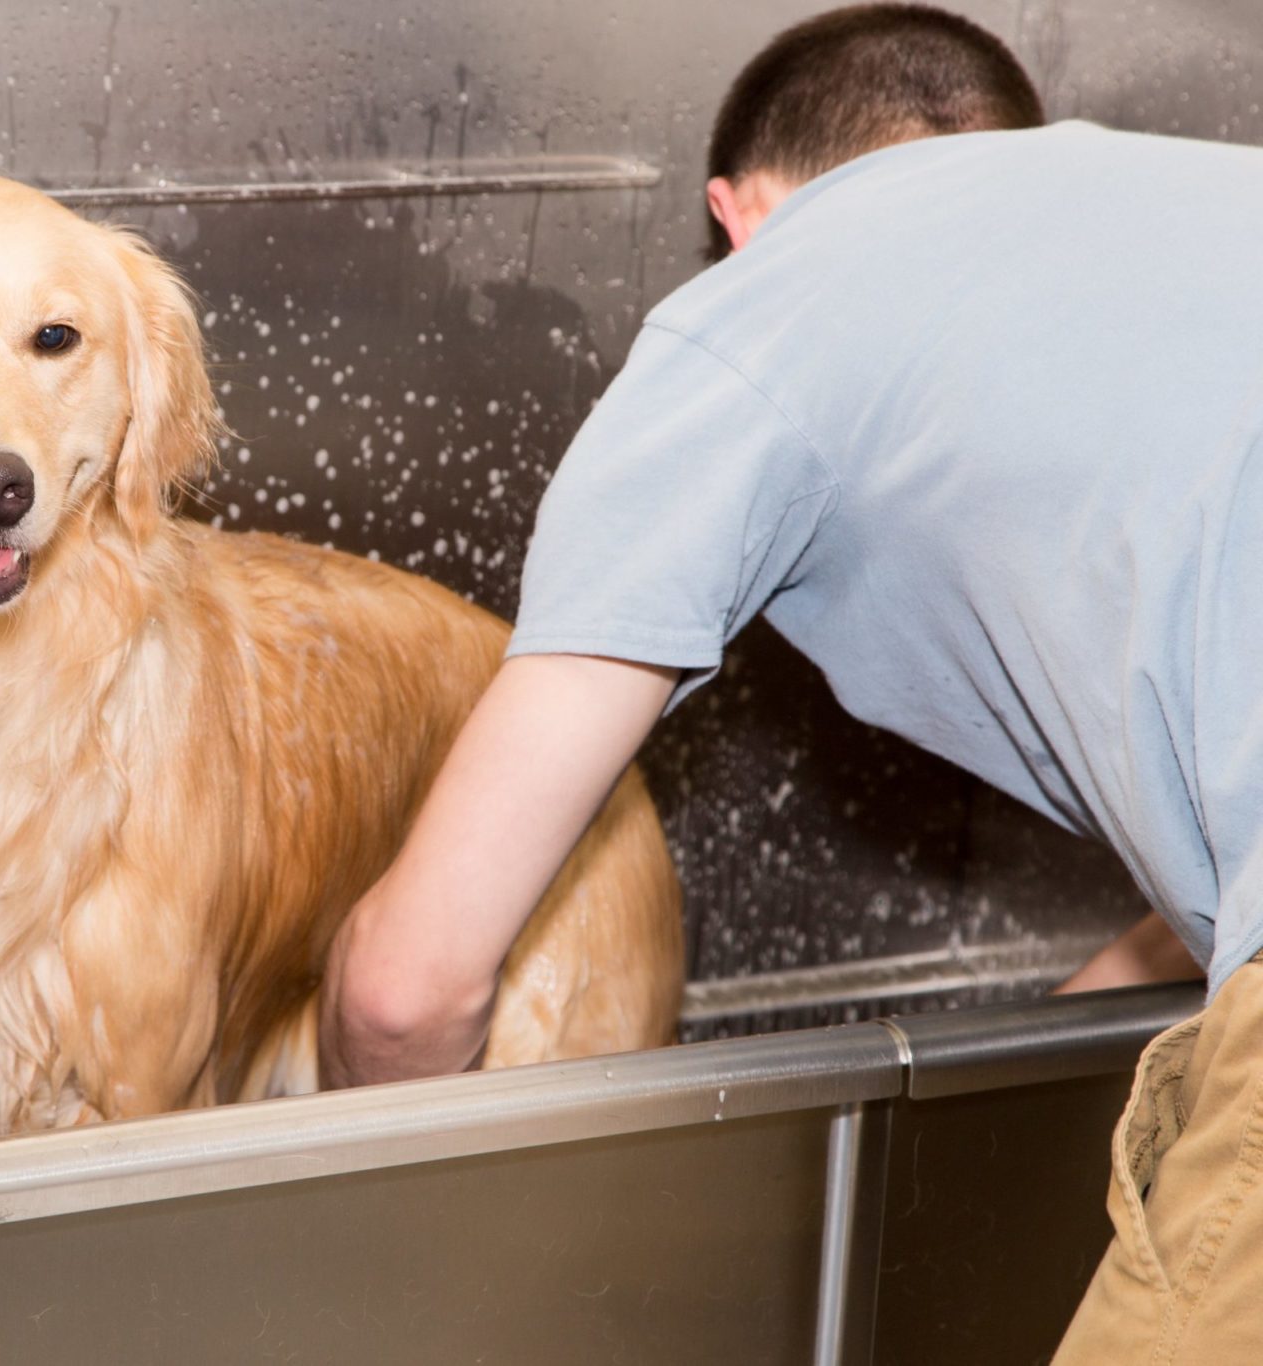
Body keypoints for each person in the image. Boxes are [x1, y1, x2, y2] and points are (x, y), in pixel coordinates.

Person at [316, 4, 1263, 1359]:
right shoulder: (1192, 197)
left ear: (732, 216)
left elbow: (406, 990)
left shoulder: (755, 315)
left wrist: (361, 1229)